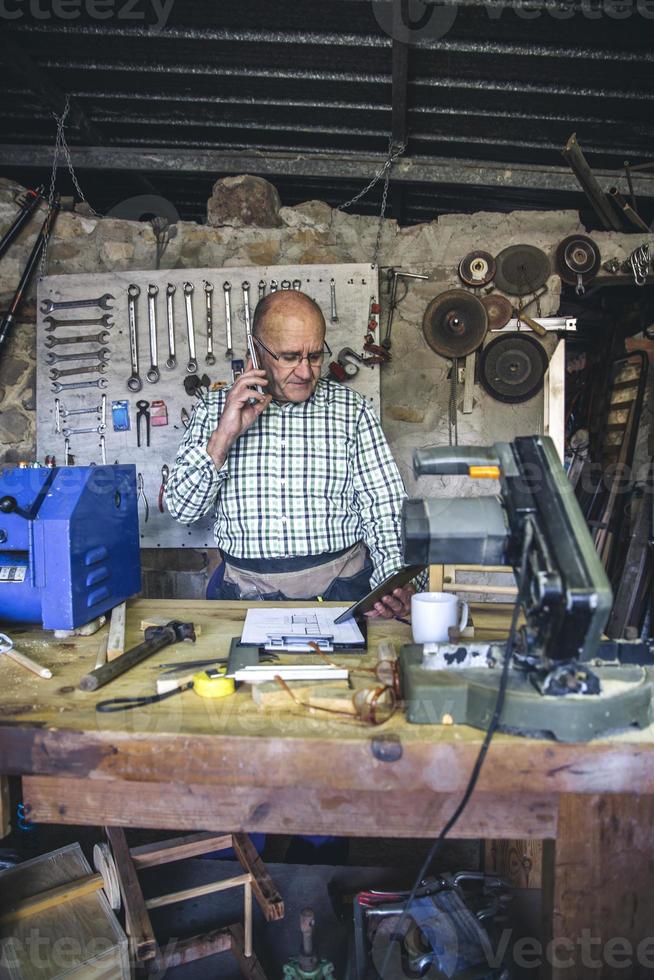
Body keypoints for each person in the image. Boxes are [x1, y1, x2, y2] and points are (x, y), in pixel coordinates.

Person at [165, 289, 416, 619]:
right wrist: (223, 436)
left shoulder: (350, 411)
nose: (305, 372)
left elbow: (385, 509)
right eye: (289, 356)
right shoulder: (214, 409)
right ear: (256, 351)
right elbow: (182, 510)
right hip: (243, 598)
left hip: (342, 592)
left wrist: (393, 585)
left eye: (314, 356)